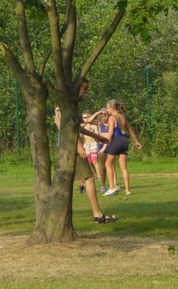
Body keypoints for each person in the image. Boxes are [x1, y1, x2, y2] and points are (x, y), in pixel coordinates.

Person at [54, 79, 119, 223]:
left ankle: (59, 216)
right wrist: (78, 146)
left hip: (70, 148)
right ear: (76, 88)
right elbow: (62, 126)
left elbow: (78, 127)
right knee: (88, 178)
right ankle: (97, 215)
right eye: (84, 89)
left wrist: (98, 137)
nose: (86, 92)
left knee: (67, 181)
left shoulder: (71, 104)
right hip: (71, 149)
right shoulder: (66, 104)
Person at [101, 100, 142, 196]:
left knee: (108, 164)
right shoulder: (123, 117)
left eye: (107, 108)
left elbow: (110, 133)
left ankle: (112, 188)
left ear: (111, 108)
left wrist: (105, 145)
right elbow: (130, 130)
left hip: (116, 140)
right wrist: (136, 141)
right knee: (123, 167)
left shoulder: (112, 118)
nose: (107, 110)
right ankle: (127, 190)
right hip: (125, 140)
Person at [81, 111, 104, 192]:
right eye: (83, 117)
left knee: (95, 162)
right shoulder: (82, 126)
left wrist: (93, 131)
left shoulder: (94, 125)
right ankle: (95, 176)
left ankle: (101, 181)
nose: (85, 119)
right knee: (90, 163)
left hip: (93, 144)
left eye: (87, 117)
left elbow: (97, 135)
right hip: (86, 145)